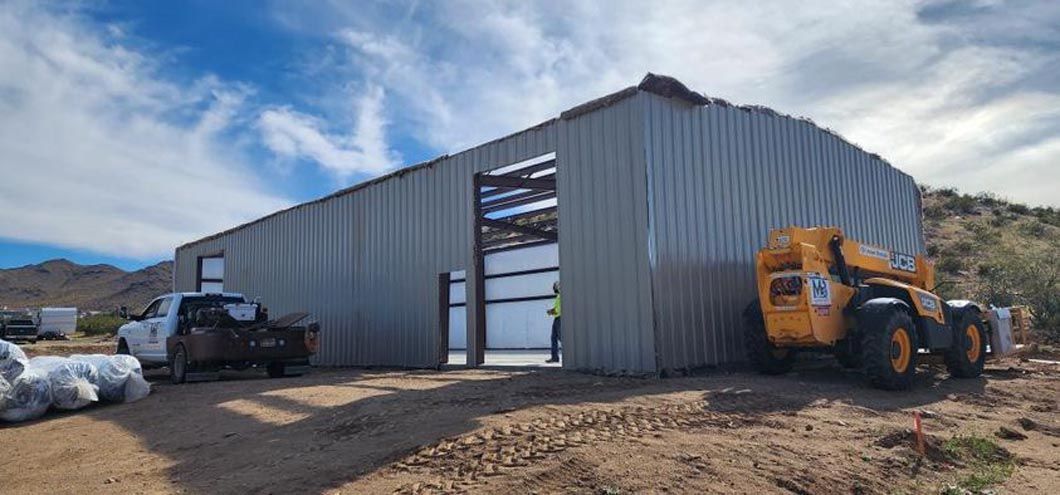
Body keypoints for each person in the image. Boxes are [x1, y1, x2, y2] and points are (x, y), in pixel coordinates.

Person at [546, 281, 561, 363]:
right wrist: (552, 311)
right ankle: (554, 357)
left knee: (561, 337)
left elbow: (557, 310)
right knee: (554, 338)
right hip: (557, 319)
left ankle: (570, 356)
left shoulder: (560, 297)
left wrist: (550, 312)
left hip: (560, 319)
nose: (554, 288)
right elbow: (556, 309)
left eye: (555, 286)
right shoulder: (558, 296)